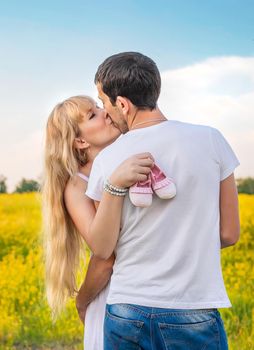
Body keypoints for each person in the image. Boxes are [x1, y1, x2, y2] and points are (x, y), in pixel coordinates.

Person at [85, 52, 240, 349]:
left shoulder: (107, 160)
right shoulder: (211, 139)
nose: (106, 112)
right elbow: (229, 233)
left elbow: (102, 248)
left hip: (126, 310)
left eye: (104, 102)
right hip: (192, 307)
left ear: (122, 104)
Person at [42, 95, 154, 349]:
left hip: (147, 293)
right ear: (80, 141)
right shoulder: (77, 186)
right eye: (92, 115)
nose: (105, 112)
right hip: (115, 299)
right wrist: (83, 301)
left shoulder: (132, 159)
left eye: (99, 106)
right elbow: (104, 257)